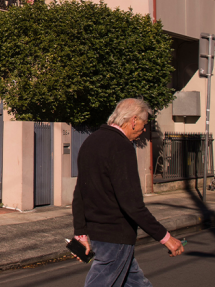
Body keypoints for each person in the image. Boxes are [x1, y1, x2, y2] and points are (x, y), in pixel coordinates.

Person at [73, 98, 184, 286]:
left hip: (99, 233)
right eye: (144, 123)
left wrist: (81, 233)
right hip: (116, 235)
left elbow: (80, 193)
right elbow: (132, 204)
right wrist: (166, 238)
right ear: (133, 120)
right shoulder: (121, 146)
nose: (143, 130)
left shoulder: (90, 141)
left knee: (136, 282)